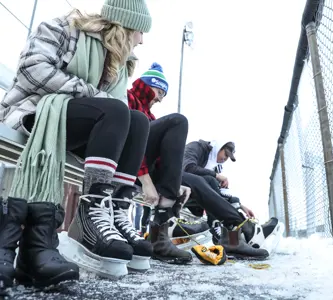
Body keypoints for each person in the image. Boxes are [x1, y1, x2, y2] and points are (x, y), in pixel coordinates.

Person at [0, 0, 154, 287]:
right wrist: (91, 94)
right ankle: (90, 213)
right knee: (117, 110)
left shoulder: (120, 63)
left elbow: (116, 112)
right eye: (140, 32)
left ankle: (115, 212)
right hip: (37, 112)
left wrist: (100, 101)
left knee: (139, 121)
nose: (142, 40)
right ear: (127, 25)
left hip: (81, 125)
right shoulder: (64, 29)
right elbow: (32, 69)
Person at [127, 62, 208, 264]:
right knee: (178, 121)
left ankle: (164, 231)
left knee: (195, 182)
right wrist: (146, 181)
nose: (160, 99)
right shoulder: (126, 99)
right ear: (147, 84)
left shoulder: (150, 116)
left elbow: (158, 158)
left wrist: (173, 183)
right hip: (126, 161)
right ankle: (167, 222)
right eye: (159, 92)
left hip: (142, 168)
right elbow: (130, 143)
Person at [182, 140, 284, 259]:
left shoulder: (214, 165)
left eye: (227, 158)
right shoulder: (197, 147)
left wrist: (240, 205)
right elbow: (187, 168)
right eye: (225, 154)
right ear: (218, 147)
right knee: (211, 180)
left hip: (196, 191)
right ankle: (232, 232)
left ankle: (237, 236)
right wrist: (215, 175)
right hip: (179, 184)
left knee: (232, 198)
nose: (224, 159)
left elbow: (221, 193)